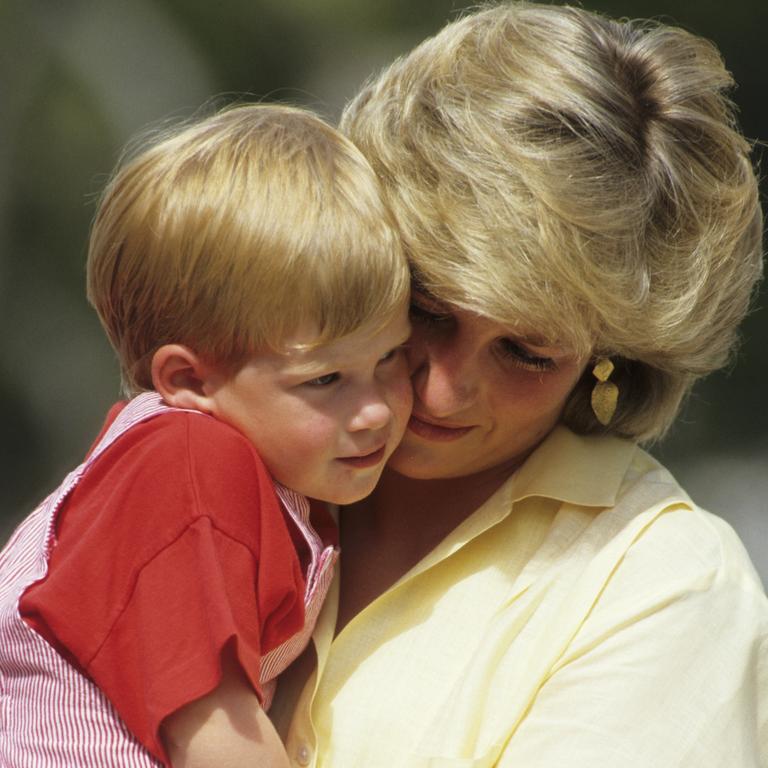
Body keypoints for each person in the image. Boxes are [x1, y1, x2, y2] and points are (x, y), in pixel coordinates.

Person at [271, 3, 768, 766]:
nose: (443, 391)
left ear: (611, 357)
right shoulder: (222, 445)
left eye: (527, 353)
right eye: (425, 310)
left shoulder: (664, 587)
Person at [0, 104, 412, 767]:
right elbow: (214, 733)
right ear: (189, 378)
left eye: (392, 358)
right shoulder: (185, 468)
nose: (375, 411)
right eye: (326, 379)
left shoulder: (240, 467)